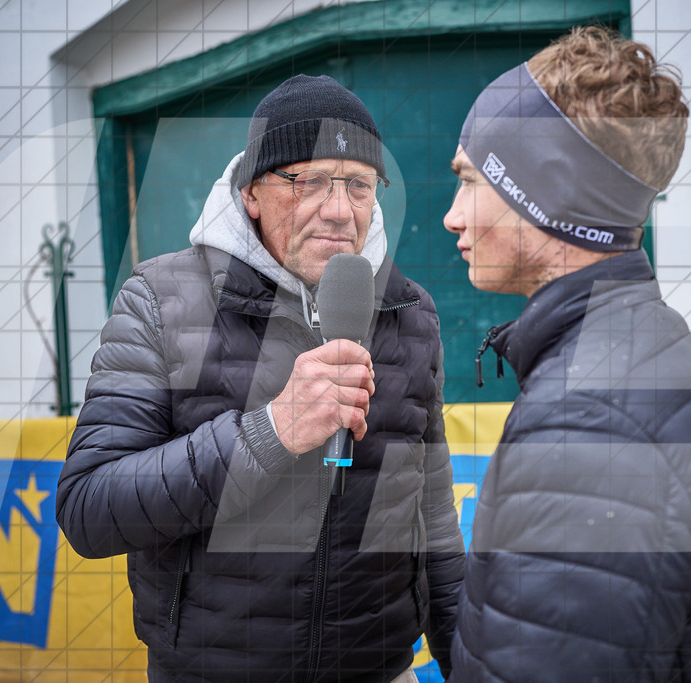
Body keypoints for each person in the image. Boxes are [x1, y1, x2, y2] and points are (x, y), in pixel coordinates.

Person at [57, 74, 464, 682]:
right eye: (309, 181)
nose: (339, 210)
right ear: (250, 192)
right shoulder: (161, 301)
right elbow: (89, 508)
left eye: (358, 184)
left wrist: (467, 662)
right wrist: (268, 432)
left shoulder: (410, 312)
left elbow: (430, 514)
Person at [442, 27, 691, 680]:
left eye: (470, 180)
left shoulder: (587, 426)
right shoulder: (652, 353)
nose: (452, 216)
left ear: (543, 192)